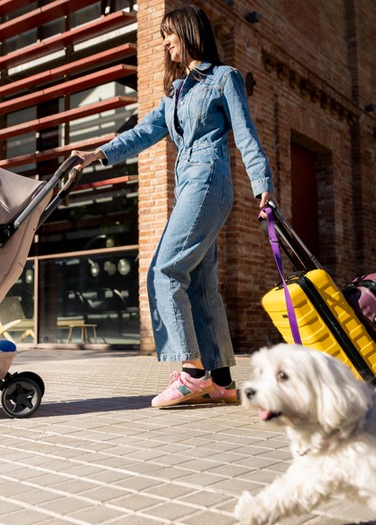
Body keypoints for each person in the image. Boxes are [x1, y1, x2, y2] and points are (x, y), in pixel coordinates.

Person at [72, 5, 275, 408]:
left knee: (165, 270)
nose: (165, 42)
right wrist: (98, 154)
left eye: (169, 34)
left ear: (188, 32)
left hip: (208, 179)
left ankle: (192, 372)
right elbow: (142, 133)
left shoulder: (224, 78)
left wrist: (262, 184)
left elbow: (246, 134)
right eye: (162, 35)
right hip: (190, 187)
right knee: (200, 284)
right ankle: (220, 379)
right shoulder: (176, 93)